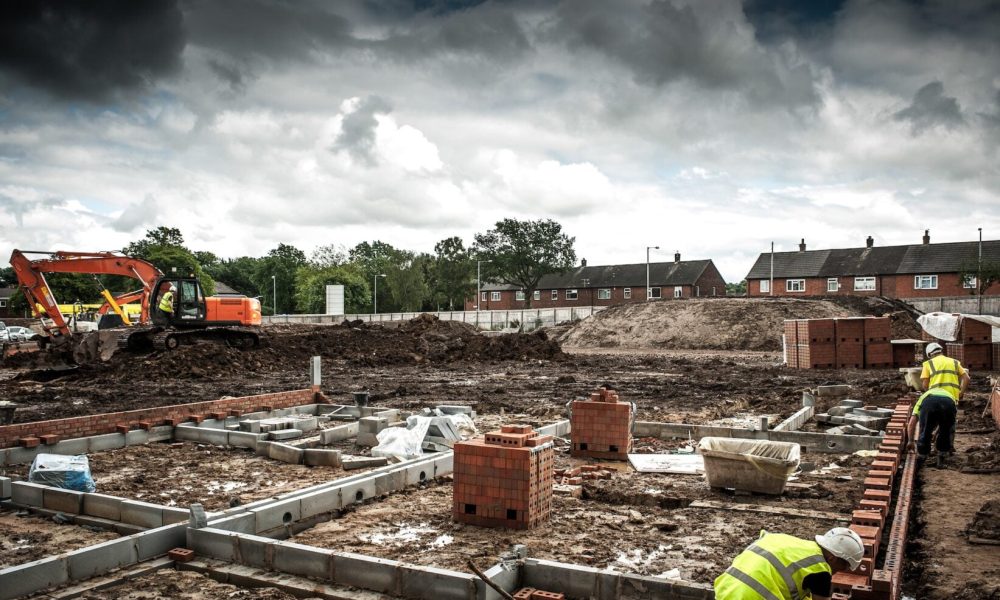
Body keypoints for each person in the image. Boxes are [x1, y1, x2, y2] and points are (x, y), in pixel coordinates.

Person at [714, 527, 864, 600]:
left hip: (725, 591)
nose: (839, 572)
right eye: (844, 566)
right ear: (833, 558)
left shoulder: (787, 541)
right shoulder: (821, 570)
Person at [906, 342, 970, 467]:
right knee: (947, 427)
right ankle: (944, 453)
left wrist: (910, 441)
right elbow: (966, 378)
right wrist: (961, 392)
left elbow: (924, 385)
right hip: (951, 398)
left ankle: (922, 456)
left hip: (931, 398)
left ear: (929, 354)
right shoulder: (955, 362)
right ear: (941, 351)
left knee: (926, 429)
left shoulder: (928, 364)